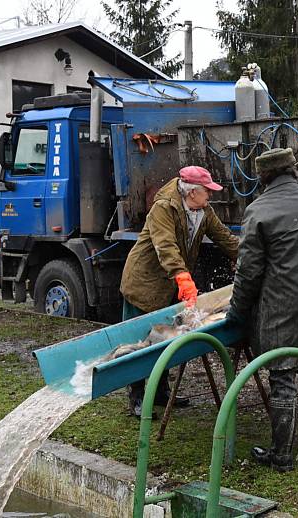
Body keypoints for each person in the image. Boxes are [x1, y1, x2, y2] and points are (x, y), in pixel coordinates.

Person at [226, 148, 298, 472]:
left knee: (283, 378)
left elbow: (248, 272)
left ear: (263, 177)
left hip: (283, 309)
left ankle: (281, 455)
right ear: (294, 171)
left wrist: (236, 313)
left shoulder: (259, 211)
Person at [120, 165, 239, 416]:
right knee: (139, 343)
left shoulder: (203, 210)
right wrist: (183, 276)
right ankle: (138, 397)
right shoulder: (164, 208)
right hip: (145, 282)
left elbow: (224, 237)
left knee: (163, 337)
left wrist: (245, 256)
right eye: (207, 191)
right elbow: (166, 245)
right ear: (193, 192)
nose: (210, 195)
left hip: (169, 284)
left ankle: (161, 392)